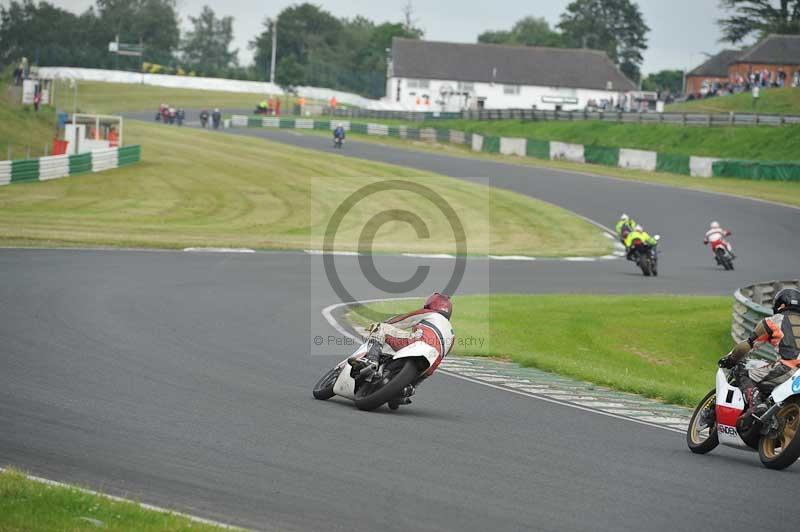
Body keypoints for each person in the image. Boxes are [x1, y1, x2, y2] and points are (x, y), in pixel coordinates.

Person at [348, 293, 455, 402]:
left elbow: (401, 321)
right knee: (427, 372)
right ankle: (408, 389)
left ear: (430, 305)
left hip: (417, 342)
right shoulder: (452, 334)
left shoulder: (429, 313)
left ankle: (371, 360)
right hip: (432, 362)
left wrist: (383, 323)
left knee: (382, 328)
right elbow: (442, 356)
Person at [719, 288, 800, 421]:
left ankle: (756, 404)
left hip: (789, 367)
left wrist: (732, 359)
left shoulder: (773, 321)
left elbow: (747, 345)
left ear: (782, 305)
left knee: (742, 372)